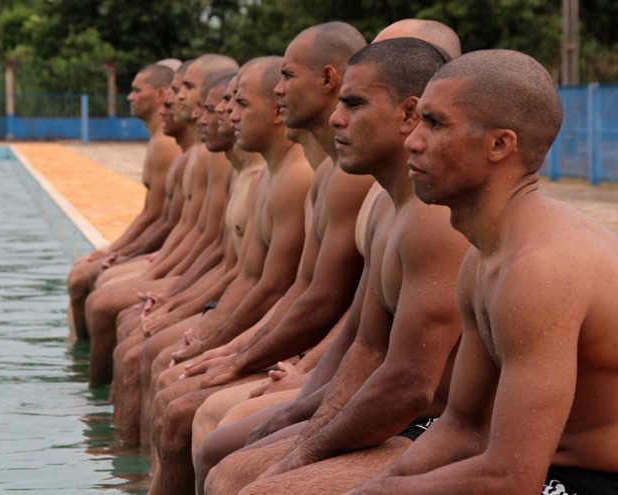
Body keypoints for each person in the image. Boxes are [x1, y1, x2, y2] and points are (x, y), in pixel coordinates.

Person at [194, 19, 462, 490]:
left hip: (438, 425)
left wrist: (301, 449)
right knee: (225, 455)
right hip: (399, 407)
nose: (337, 118)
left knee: (243, 474)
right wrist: (297, 410)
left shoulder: (434, 218)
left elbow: (407, 385)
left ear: (410, 112)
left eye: (353, 104)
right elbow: (362, 342)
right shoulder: (386, 205)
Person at [353, 49, 618, 495]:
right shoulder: (483, 257)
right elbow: (463, 425)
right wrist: (381, 483)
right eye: (418, 121)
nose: (411, 141)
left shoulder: (539, 272)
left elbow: (511, 477)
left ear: (500, 145)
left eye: (435, 124)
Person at [148, 56, 314, 495]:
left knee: (182, 396)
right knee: (157, 359)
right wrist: (193, 319)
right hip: (307, 352)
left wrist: (242, 355)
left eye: (235, 103)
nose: (222, 114)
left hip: (323, 364)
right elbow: (245, 271)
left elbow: (292, 292)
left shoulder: (300, 179)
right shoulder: (286, 178)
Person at [83, 54, 238, 387]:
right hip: (200, 276)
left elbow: (209, 244)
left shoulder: (216, 161)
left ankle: (98, 405)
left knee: (107, 305)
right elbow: (189, 230)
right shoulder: (203, 157)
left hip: (213, 285)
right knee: (101, 289)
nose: (174, 97)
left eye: (185, 87)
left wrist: (176, 294)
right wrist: (152, 268)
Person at [66, 63, 181, 340]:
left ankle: (84, 364)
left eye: (136, 90)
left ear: (159, 94)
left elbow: (159, 218)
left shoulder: (165, 144)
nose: (129, 97)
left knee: (85, 278)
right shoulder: (158, 140)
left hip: (169, 250)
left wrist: (119, 251)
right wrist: (116, 248)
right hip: (167, 248)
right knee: (83, 270)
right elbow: (150, 214)